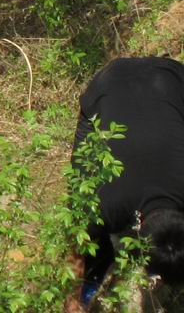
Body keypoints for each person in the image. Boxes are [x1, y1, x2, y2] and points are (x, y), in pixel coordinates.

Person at [67, 56, 184, 311]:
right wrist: (74, 299)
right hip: (109, 85)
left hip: (169, 77)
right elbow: (77, 243)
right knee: (80, 186)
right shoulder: (104, 205)